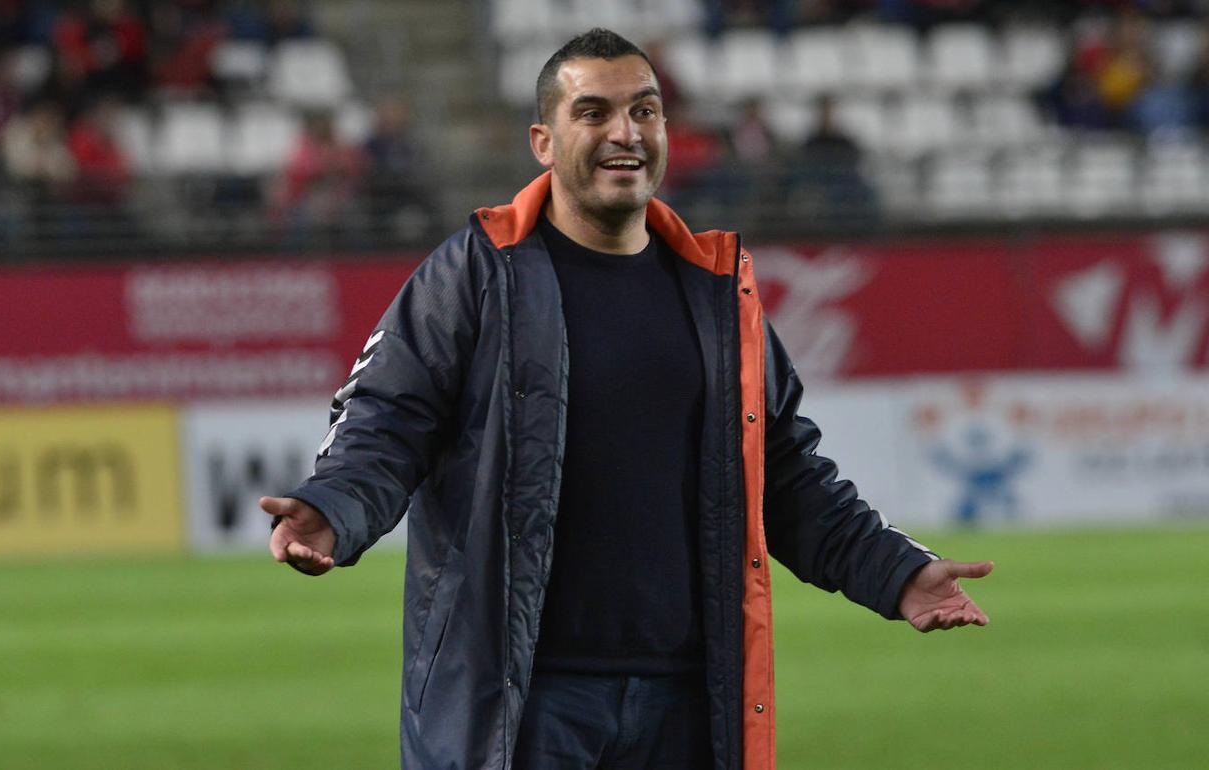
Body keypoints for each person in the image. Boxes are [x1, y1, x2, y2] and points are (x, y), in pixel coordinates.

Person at [260, 28, 992, 770]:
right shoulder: (476, 274)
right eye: (594, 113)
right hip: (519, 702)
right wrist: (335, 507)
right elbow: (386, 421)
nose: (625, 133)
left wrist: (895, 572)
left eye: (645, 111)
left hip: (687, 704)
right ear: (544, 141)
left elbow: (784, 474)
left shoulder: (716, 291)